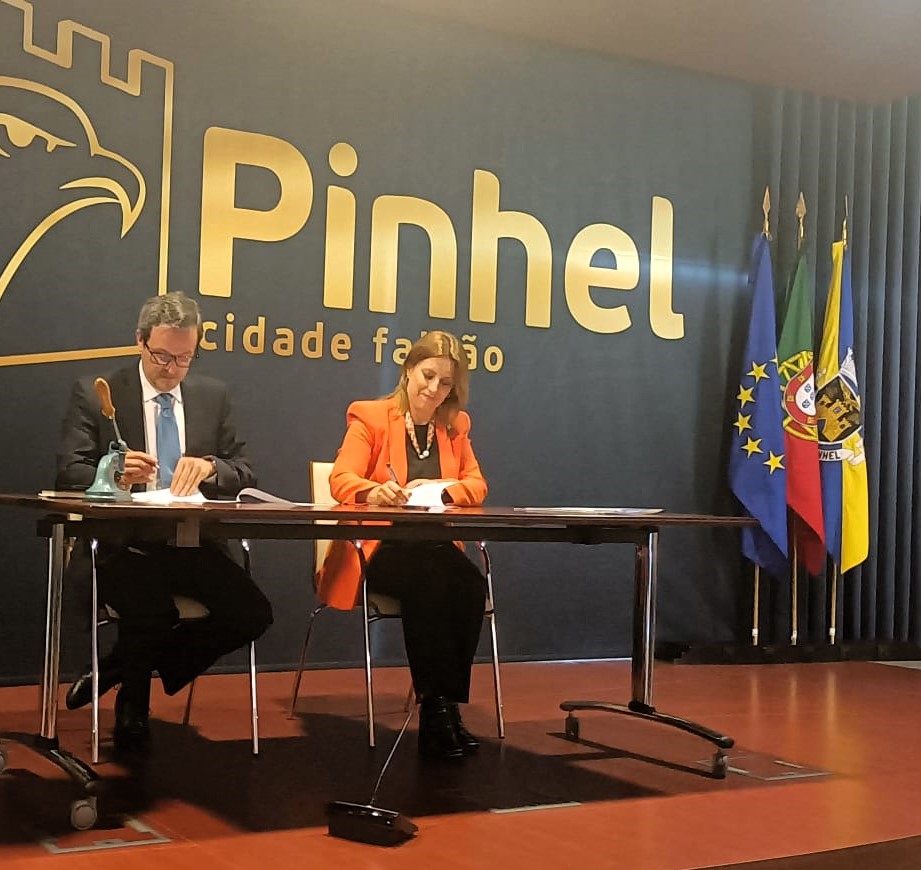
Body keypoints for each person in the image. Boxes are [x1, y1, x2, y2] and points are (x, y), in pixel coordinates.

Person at [56, 291, 273, 753]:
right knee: (150, 610)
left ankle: (118, 667)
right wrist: (114, 472)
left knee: (253, 613)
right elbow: (69, 471)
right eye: (162, 356)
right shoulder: (100, 392)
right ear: (140, 341)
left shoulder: (212, 396)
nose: (172, 369)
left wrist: (211, 467)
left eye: (184, 358)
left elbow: (245, 471)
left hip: (192, 544)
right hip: (123, 546)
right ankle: (133, 708)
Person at [317, 330, 488, 761]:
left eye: (445, 383)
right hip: (380, 548)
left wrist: (443, 489)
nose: (434, 389)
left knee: (470, 586)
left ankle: (446, 703)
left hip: (434, 545)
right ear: (409, 370)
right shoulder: (371, 416)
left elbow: (476, 485)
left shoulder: (456, 426)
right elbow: (341, 479)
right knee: (429, 585)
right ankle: (435, 713)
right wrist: (374, 491)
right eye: (428, 376)